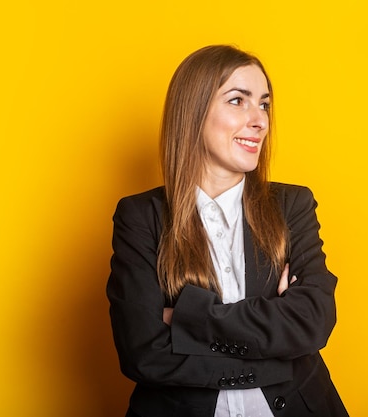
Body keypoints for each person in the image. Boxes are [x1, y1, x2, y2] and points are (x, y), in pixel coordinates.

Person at [107, 44, 349, 417]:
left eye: (264, 104)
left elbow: (312, 321)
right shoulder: (140, 217)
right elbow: (143, 352)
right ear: (193, 112)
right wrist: (275, 345)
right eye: (238, 100)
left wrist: (186, 317)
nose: (261, 121)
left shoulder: (292, 206)